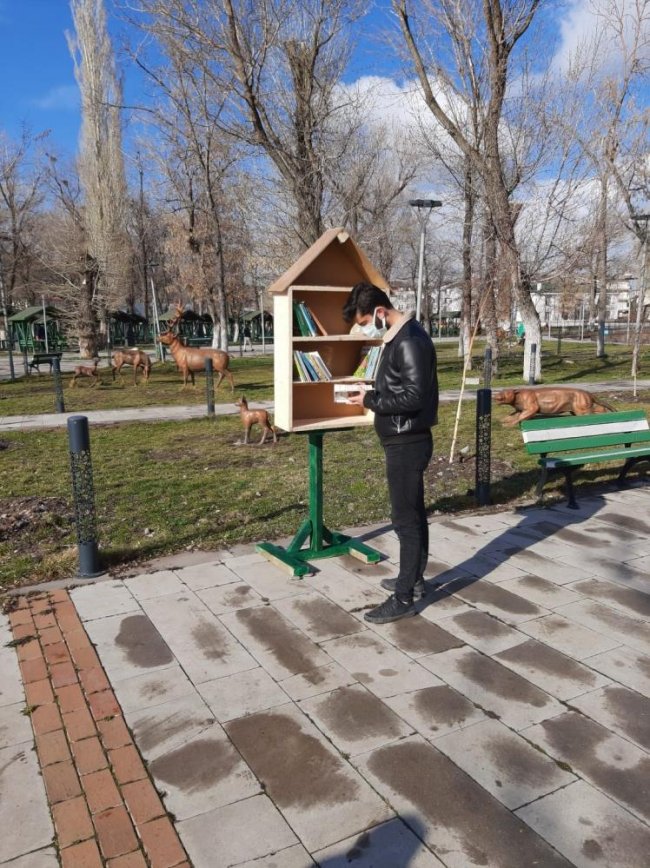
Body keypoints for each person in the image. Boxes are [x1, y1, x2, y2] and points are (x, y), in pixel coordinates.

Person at [343, 282, 438, 624]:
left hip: (407, 443)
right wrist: (372, 391)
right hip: (402, 439)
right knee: (413, 515)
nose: (364, 329)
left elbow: (413, 397)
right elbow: (402, 386)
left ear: (380, 312)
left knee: (405, 521)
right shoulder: (399, 337)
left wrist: (370, 399)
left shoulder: (409, 340)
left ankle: (403, 597)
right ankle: (413, 580)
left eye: (365, 322)